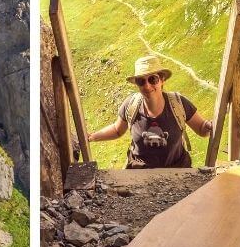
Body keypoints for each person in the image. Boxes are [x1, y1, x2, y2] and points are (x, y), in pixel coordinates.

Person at [86, 55, 214, 168]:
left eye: (152, 79)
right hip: (139, 173)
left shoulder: (178, 103)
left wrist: (209, 126)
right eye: (141, 81)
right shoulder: (131, 105)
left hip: (176, 171)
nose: (147, 86)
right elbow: (117, 130)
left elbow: (202, 129)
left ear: (162, 80)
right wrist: (91, 137)